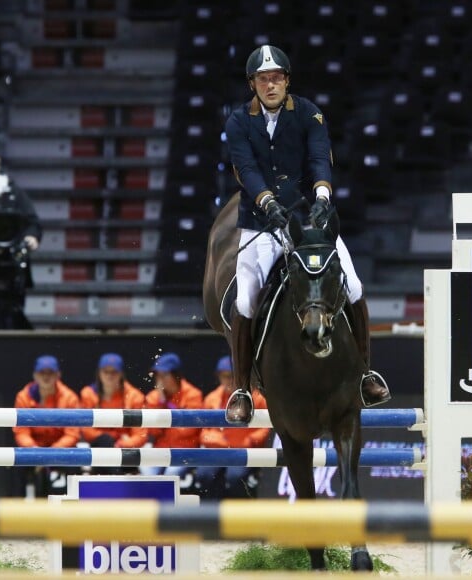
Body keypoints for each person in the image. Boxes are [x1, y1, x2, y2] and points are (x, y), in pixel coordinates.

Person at [223, 45, 391, 423]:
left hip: (306, 220)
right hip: (261, 221)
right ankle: (241, 389)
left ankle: (365, 374)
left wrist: (322, 196)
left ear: (287, 80)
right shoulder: (238, 121)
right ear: (252, 83)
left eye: (277, 77)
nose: (271, 84)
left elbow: (319, 157)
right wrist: (266, 202)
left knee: (354, 286)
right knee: (248, 299)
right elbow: (245, 169)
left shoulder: (309, 112)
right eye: (263, 79)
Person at [0, 150, 41, 329]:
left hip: (9, 263)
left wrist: (31, 237)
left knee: (11, 314)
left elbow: (32, 222)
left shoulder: (14, 193)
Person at [195, 355, 270, 499]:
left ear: (239, 376)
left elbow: (266, 428)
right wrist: (223, 443)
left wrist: (250, 441)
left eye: (231, 376)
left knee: (235, 477)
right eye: (224, 376)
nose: (228, 381)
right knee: (203, 475)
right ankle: (211, 515)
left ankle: (239, 517)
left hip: (244, 450)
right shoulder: (212, 398)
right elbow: (204, 433)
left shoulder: (257, 397)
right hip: (218, 451)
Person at [12, 355, 80, 497]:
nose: (46, 377)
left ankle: (75, 511)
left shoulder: (69, 398)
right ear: (34, 375)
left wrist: (50, 453)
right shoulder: (23, 397)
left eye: (50, 373)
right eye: (42, 373)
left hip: (60, 448)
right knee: (17, 463)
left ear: (58, 375)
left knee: (75, 461)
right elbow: (21, 432)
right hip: (34, 448)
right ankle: (16, 513)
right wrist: (35, 451)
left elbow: (72, 434)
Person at [141, 352, 203, 489]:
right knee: (146, 471)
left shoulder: (193, 395)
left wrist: (166, 414)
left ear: (176, 375)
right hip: (161, 449)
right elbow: (151, 431)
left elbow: (189, 430)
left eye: (164, 375)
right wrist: (161, 403)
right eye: (158, 375)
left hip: (185, 450)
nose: (160, 380)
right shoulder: (154, 398)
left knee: (171, 473)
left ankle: (167, 510)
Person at [80, 353, 147, 474]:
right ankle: (118, 479)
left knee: (114, 450)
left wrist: (122, 444)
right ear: (99, 373)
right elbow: (87, 431)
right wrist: (113, 438)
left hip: (125, 449)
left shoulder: (134, 396)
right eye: (106, 371)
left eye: (114, 372)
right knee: (104, 441)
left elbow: (140, 434)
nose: (109, 376)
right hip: (100, 449)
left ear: (121, 374)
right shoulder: (88, 394)